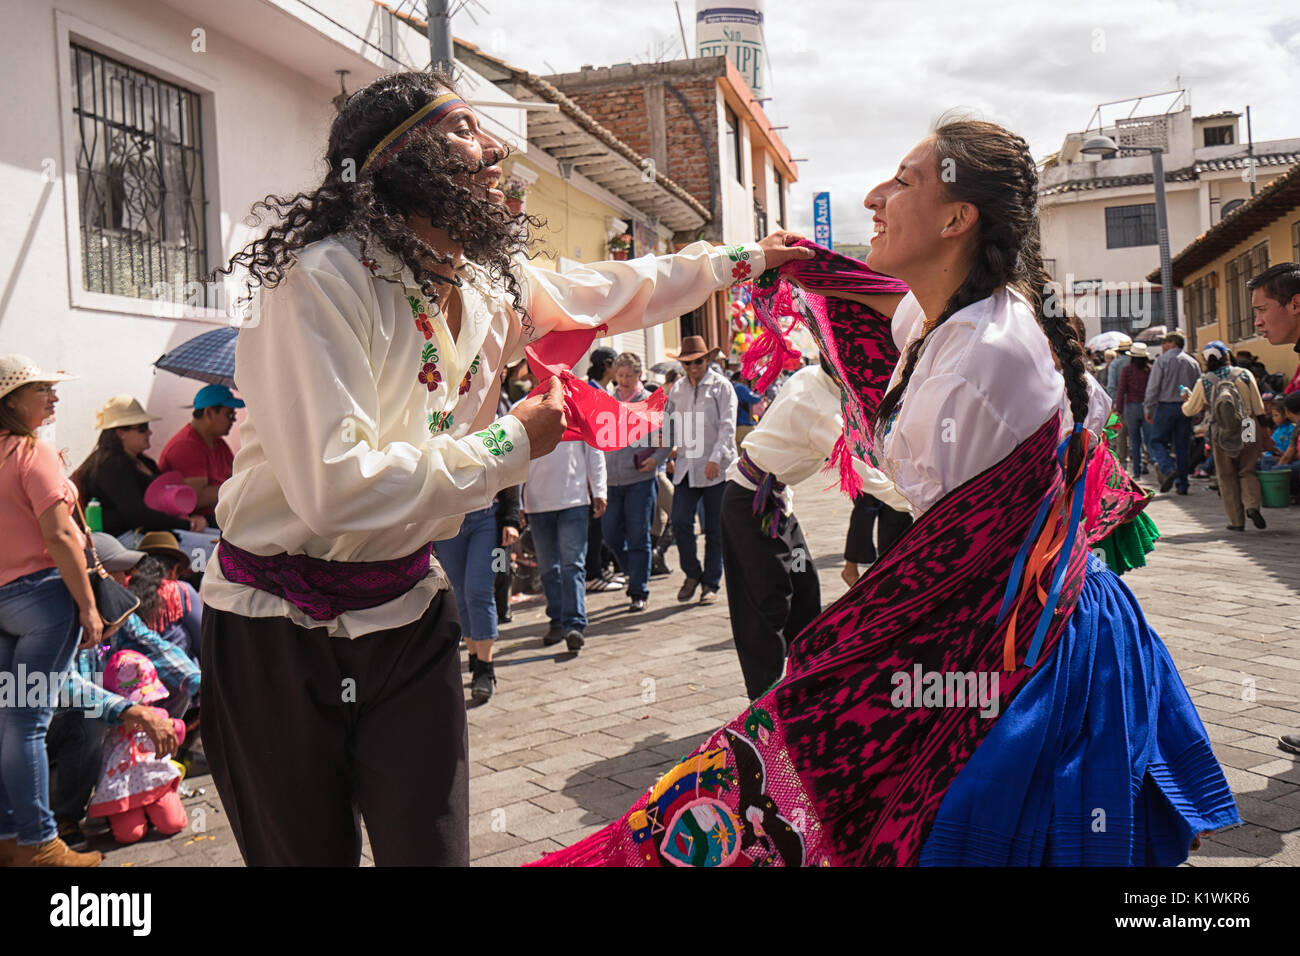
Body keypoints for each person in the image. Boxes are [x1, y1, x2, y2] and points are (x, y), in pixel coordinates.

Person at [533, 118, 1235, 868]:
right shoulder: (956, 318)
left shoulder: (978, 355)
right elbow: (878, 305)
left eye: (903, 181)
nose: (874, 196)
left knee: (869, 760)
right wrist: (804, 265)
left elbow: (939, 519)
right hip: (1036, 619)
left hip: (1022, 646)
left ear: (956, 219)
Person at [197, 69, 810, 866]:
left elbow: (617, 288)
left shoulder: (490, 283)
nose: (497, 150)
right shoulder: (323, 281)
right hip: (273, 630)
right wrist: (511, 443)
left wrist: (744, 258)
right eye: (468, 132)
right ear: (401, 160)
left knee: (434, 851)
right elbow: (336, 486)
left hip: (407, 616)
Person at [0, 356, 104, 867]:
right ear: (12, 401)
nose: (54, 396)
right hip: (42, 599)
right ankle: (41, 845)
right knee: (27, 723)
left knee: (8, 722)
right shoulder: (31, 452)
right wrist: (87, 605)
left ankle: (10, 839)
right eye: (43, 389)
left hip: (3, 602)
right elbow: (60, 534)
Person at [47, 534, 198, 851]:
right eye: (116, 571)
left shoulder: (117, 608)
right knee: (86, 720)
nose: (126, 578)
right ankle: (67, 817)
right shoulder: (57, 617)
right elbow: (68, 685)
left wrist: (208, 690)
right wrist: (131, 711)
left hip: (108, 707)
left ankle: (148, 772)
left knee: (171, 682)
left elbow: (158, 649)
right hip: (50, 720)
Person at [721, 359, 859, 699]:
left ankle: (802, 679)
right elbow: (860, 469)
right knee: (766, 600)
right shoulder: (820, 407)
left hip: (776, 501)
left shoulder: (813, 379)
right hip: (751, 504)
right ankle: (764, 698)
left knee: (804, 583)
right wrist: (911, 497)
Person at [72, 396, 215, 560]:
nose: (149, 432)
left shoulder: (144, 461)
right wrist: (187, 524)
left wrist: (187, 521)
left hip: (155, 530)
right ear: (121, 433)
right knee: (215, 549)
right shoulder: (112, 465)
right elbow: (136, 513)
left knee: (223, 541)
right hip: (128, 538)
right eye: (142, 428)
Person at [85, 650, 188, 845]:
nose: (145, 703)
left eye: (146, 699)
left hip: (157, 782)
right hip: (121, 789)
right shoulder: (109, 724)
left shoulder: (158, 715)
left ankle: (152, 812)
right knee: (129, 835)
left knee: (173, 824)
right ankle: (134, 815)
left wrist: (172, 727)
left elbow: (179, 733)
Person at [665, 335, 738, 605]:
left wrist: (715, 459)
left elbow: (728, 427)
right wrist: (670, 450)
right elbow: (670, 421)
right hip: (686, 466)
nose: (693, 367)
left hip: (715, 467)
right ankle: (692, 573)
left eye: (698, 361)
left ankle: (711, 583)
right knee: (681, 522)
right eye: (688, 363)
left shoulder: (722, 387)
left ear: (707, 359)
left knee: (715, 530)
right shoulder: (677, 389)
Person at [523, 438, 607, 652]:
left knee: (573, 565)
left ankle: (574, 625)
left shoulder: (576, 410)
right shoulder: (523, 409)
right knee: (549, 569)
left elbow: (594, 451)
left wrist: (599, 490)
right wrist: (518, 503)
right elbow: (514, 456)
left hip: (574, 500)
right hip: (537, 503)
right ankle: (557, 621)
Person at [600, 353, 668, 613]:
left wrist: (658, 458)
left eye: (629, 375)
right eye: (620, 376)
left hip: (640, 479)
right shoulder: (607, 401)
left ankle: (638, 589)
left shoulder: (650, 402)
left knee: (639, 536)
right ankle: (636, 570)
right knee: (611, 536)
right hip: (610, 481)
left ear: (639, 376)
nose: (624, 380)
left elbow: (667, 435)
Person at [1180, 342, 1266, 531]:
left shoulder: (1204, 381)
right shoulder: (1244, 374)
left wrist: (1186, 400)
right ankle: (1252, 506)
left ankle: (1236, 521)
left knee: (1227, 476)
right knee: (1247, 470)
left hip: (1221, 430)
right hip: (1247, 424)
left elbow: (1189, 411)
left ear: (1205, 359)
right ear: (1226, 355)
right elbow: (1258, 406)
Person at [157, 384, 244, 528]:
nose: (233, 420)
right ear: (209, 413)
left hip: (221, 515)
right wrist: (238, 488)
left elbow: (235, 476)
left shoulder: (218, 442)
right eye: (230, 414)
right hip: (199, 522)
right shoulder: (186, 445)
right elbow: (196, 497)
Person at [1143, 332, 1202, 494]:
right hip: (1186, 407)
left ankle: (1168, 469)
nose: (1162, 346)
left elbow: (1153, 387)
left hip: (1165, 407)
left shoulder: (1162, 361)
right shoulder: (1192, 362)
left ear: (1172, 343)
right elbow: (1199, 388)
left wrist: (1148, 407)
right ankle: (1183, 485)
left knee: (1157, 441)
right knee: (1182, 446)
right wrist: (1198, 411)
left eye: (1164, 343)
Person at [1116, 342, 1153, 478]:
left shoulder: (1127, 370)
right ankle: (1154, 462)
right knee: (1149, 439)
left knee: (1135, 441)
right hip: (1146, 406)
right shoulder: (1149, 370)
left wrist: (1118, 409)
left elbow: (1121, 390)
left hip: (1130, 407)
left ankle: (1136, 472)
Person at [731, 370, 764, 446]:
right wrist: (760, 390)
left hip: (739, 426)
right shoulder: (740, 387)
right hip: (744, 426)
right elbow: (754, 399)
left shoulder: (735, 387)